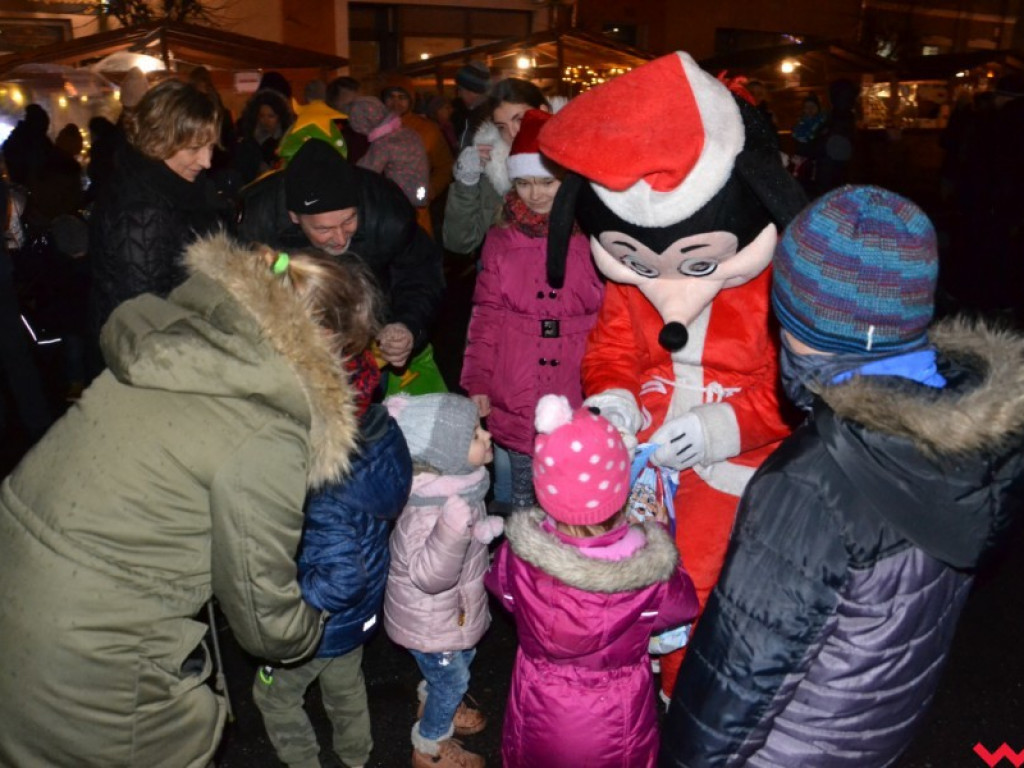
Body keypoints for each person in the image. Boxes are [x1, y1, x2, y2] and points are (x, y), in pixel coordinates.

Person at [661, 186, 1024, 768]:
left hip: (787, 749)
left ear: (801, 321)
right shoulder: (980, 431)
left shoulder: (809, 485)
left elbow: (738, 678)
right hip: (878, 726)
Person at [0, 232, 372, 766]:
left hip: (20, 579)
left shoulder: (174, 349)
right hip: (90, 642)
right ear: (322, 351)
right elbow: (264, 612)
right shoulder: (266, 432)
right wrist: (313, 626)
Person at [252, 254, 414, 768]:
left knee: (274, 696)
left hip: (319, 622)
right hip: (355, 619)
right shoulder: (372, 416)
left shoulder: (322, 475)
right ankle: (356, 758)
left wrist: (289, 611)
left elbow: (342, 572)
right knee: (345, 689)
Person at [486, 394, 699, 767]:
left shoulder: (518, 554)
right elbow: (683, 606)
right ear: (619, 488)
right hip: (615, 720)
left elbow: (501, 590)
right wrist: (660, 539)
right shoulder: (647, 568)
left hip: (539, 708)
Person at [460, 109, 603, 511]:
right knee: (523, 494)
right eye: (523, 183)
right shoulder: (501, 238)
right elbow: (485, 313)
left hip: (578, 376)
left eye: (547, 182)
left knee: (574, 492)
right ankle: (520, 568)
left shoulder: (595, 235)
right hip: (516, 377)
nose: (534, 195)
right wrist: (477, 382)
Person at [237, 136, 444, 374]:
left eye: (349, 220)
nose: (340, 238)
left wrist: (407, 324)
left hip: (367, 344)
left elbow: (420, 272)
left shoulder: (388, 212)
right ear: (295, 216)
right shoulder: (255, 221)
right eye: (324, 229)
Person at [382, 393, 505, 768]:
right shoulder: (427, 510)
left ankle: (434, 700)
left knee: (459, 664)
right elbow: (428, 577)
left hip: (453, 613)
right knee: (451, 678)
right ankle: (430, 744)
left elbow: (461, 539)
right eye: (474, 436)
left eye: (481, 429)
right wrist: (454, 532)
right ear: (444, 456)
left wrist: (478, 531)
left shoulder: (461, 484)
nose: (487, 437)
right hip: (430, 618)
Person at [88, 79, 229, 365]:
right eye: (193, 149)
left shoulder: (178, 186)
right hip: (157, 361)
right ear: (158, 140)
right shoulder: (140, 209)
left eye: (210, 147)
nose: (206, 161)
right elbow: (146, 314)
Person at [442, 77, 549, 256]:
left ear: (543, 111)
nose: (512, 133)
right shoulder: (493, 167)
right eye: (501, 126)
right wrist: (466, 185)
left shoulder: (576, 156)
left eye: (520, 119)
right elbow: (459, 243)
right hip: (505, 273)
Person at [382, 82, 454, 233]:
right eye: (391, 97)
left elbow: (445, 165)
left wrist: (430, 190)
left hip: (416, 209)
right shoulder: (375, 128)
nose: (395, 103)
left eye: (402, 97)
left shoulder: (427, 129)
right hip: (382, 207)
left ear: (411, 101)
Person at [347, 96, 431, 221]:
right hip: (420, 194)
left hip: (401, 201)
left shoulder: (384, 144)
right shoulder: (409, 132)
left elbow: (364, 172)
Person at [235, 88, 294, 185]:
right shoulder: (249, 142)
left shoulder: (287, 141)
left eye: (271, 116)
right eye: (262, 116)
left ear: (280, 117)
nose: (265, 121)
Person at [326, 75, 369, 164]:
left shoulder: (372, 127)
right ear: (334, 106)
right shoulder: (332, 134)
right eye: (350, 105)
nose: (357, 109)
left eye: (361, 103)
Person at [451, 61, 491, 150]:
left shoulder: (478, 118)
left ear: (472, 91)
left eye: (460, 90)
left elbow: (467, 152)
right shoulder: (488, 112)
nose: (459, 95)